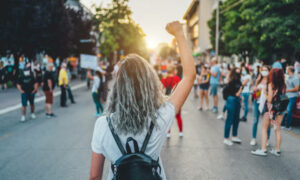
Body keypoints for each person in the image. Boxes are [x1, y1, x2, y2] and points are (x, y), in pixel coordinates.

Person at [89, 21, 196, 180]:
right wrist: (179, 33)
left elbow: (94, 176)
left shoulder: (103, 125)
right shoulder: (160, 116)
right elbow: (189, 77)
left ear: (118, 87)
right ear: (149, 84)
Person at [252, 69, 286, 156]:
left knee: (264, 128)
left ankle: (263, 149)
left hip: (271, 109)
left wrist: (264, 93)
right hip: (280, 109)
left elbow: (270, 99)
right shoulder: (283, 85)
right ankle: (277, 150)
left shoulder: (271, 84)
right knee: (277, 129)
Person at [250, 66, 271, 146]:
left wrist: (264, 90)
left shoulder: (270, 81)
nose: (264, 71)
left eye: (266, 70)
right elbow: (254, 90)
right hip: (257, 101)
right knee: (255, 120)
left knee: (267, 122)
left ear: (269, 71)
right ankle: (253, 138)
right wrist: (256, 88)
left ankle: (267, 139)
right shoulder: (258, 80)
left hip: (266, 103)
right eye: (263, 70)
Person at [161, 65, 183, 137]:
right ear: (174, 71)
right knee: (178, 116)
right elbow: (180, 89)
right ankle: (180, 132)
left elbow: (161, 90)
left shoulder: (164, 79)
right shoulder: (177, 78)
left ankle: (168, 133)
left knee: (167, 117)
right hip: (176, 99)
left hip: (167, 100)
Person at [223, 67, 243, 146]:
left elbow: (239, 91)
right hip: (231, 100)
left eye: (239, 71)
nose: (238, 73)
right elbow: (234, 92)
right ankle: (226, 138)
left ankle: (234, 136)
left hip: (237, 100)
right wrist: (240, 91)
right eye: (237, 71)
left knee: (236, 119)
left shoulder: (238, 80)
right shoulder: (231, 81)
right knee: (230, 119)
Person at [281, 66, 299, 130]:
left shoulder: (295, 78)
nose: (286, 71)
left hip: (292, 96)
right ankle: (282, 124)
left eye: (287, 70)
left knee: (288, 110)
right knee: (284, 110)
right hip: (287, 96)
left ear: (290, 70)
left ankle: (288, 126)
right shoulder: (288, 78)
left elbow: (297, 88)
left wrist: (288, 90)